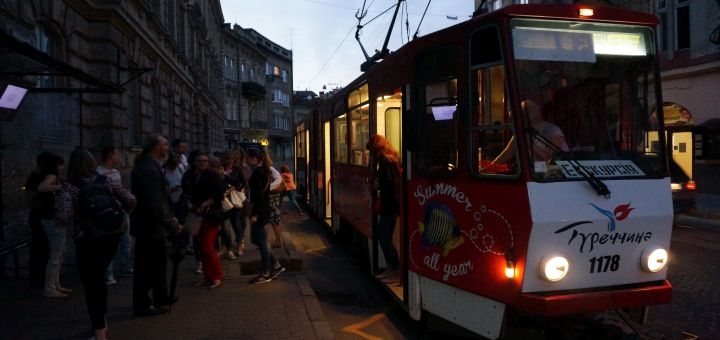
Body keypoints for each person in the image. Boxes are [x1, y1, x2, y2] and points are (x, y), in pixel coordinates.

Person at [55, 148, 136, 340]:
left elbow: (64, 216)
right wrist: (120, 216)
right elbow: (130, 199)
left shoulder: (70, 187)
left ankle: (100, 332)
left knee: (92, 285)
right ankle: (102, 322)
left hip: (87, 241)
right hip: (110, 238)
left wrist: (62, 220)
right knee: (99, 281)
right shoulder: (105, 180)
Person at [130, 135, 182, 316]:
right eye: (164, 144)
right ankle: (143, 304)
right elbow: (155, 202)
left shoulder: (151, 167)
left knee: (158, 265)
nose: (167, 147)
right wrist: (170, 224)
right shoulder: (147, 169)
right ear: (155, 147)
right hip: (149, 227)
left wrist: (170, 219)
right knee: (146, 267)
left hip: (153, 227)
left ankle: (161, 297)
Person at [246, 147, 285, 284]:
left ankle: (266, 272)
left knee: (262, 242)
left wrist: (254, 214)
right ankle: (276, 265)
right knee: (261, 241)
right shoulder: (264, 170)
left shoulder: (257, 172)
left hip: (260, 211)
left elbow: (258, 196)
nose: (246, 161)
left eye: (248, 158)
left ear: (254, 159)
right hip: (263, 210)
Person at [366, 134, 402, 283]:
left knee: (383, 236)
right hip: (392, 203)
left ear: (375, 148)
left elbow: (388, 181)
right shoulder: (391, 157)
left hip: (389, 205)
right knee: (384, 236)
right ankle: (390, 268)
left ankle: (394, 269)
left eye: (371, 150)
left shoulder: (384, 160)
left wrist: (376, 185)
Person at [97, 146, 133, 285]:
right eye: (117, 155)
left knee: (126, 240)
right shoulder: (99, 173)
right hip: (108, 212)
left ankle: (126, 267)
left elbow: (120, 190)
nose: (119, 158)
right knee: (109, 243)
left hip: (121, 209)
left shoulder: (116, 172)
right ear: (111, 155)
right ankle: (108, 274)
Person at [189, 154, 226, 289]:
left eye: (205, 161)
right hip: (199, 215)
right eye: (200, 161)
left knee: (206, 245)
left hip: (212, 216)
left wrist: (206, 203)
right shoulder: (194, 176)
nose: (203, 163)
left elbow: (220, 193)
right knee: (201, 246)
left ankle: (217, 275)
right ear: (195, 162)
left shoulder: (211, 176)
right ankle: (208, 275)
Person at [36, 153, 70, 298]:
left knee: (58, 254)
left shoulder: (49, 175)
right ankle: (50, 288)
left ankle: (55, 285)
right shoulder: (51, 175)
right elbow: (42, 187)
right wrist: (59, 187)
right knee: (56, 255)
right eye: (60, 164)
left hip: (52, 219)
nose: (62, 167)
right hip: (53, 220)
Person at [493, 100, 569, 164]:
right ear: (524, 115)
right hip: (536, 176)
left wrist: (528, 142)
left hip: (557, 176)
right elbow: (504, 157)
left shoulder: (552, 130)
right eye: (532, 108)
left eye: (536, 106)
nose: (538, 107)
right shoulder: (520, 136)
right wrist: (486, 170)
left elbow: (547, 157)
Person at [24, 151, 54, 290]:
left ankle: (39, 277)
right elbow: (31, 197)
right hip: (40, 217)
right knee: (42, 248)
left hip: (38, 216)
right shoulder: (37, 177)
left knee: (40, 247)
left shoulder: (37, 176)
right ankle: (40, 277)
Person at [266, 154, 284, 248]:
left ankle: (278, 241)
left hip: (273, 197)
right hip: (273, 197)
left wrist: (269, 188)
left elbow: (279, 180)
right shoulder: (269, 169)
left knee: (275, 220)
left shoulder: (270, 169)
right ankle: (273, 241)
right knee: (273, 220)